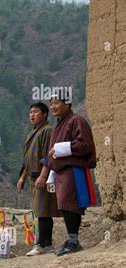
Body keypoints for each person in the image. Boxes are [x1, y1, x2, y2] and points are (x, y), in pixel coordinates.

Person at [47, 91, 96, 256]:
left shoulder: (77, 121)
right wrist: (51, 174)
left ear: (67, 104)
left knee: (70, 204)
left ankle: (74, 242)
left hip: (73, 169)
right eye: (51, 103)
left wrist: (59, 148)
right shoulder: (58, 125)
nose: (53, 106)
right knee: (64, 205)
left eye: (56, 102)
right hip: (62, 171)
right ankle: (71, 240)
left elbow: (85, 145)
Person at [17, 102, 60, 256]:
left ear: (45, 115)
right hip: (33, 177)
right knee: (41, 210)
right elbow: (27, 159)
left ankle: (42, 244)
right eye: (30, 112)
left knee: (43, 210)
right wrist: (23, 176)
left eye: (35, 112)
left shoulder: (47, 131)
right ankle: (45, 244)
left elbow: (47, 155)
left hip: (43, 176)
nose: (32, 115)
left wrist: (43, 176)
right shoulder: (32, 133)